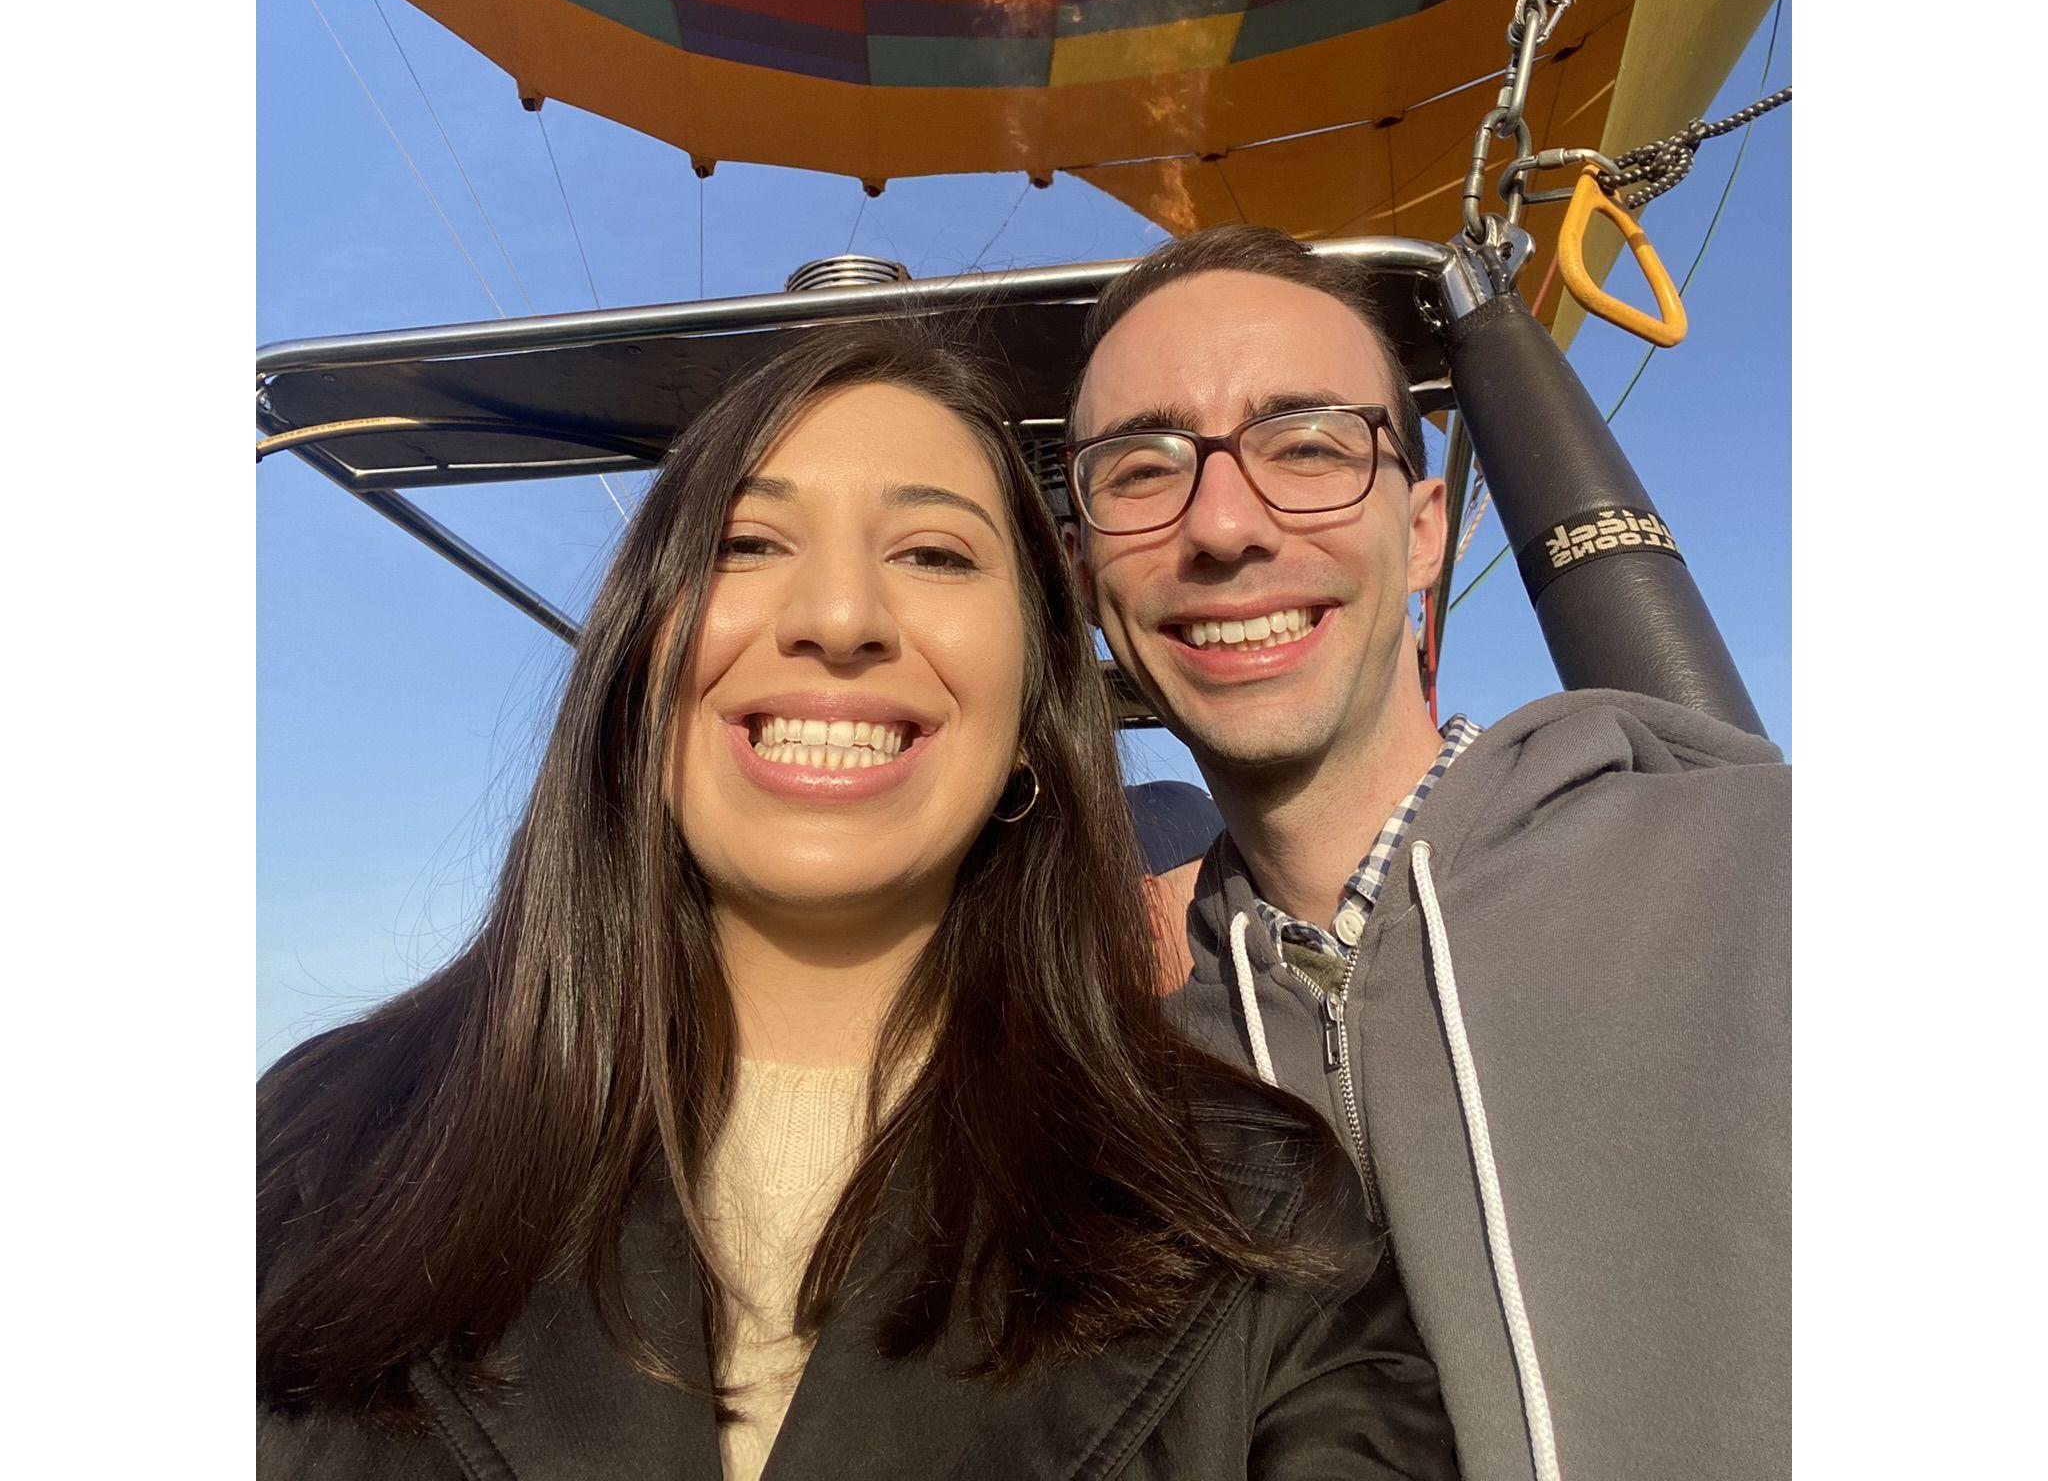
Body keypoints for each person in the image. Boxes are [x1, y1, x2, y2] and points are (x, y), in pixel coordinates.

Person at [258, 325, 1460, 1481]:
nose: (836, 618)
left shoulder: (1253, 1209)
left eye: (934, 554)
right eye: (744, 543)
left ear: (1034, 699)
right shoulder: (310, 1151)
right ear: (637, 658)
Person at [1065, 226, 1790, 1481]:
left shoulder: (1776, 875)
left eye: (1304, 446)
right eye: (1141, 469)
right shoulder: (1128, 1107)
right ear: (1082, 570)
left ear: (1423, 531)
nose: (1224, 524)